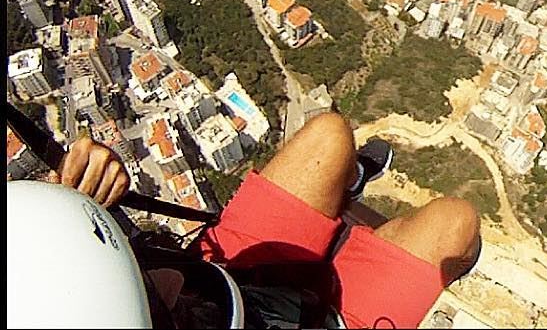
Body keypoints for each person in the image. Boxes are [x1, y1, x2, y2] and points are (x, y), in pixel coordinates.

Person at [10, 112, 482, 329]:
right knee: (455, 225)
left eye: (144, 279)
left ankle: (344, 180)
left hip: (229, 275)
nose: (169, 278)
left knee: (329, 135)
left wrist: (82, 200)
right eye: (161, 313)